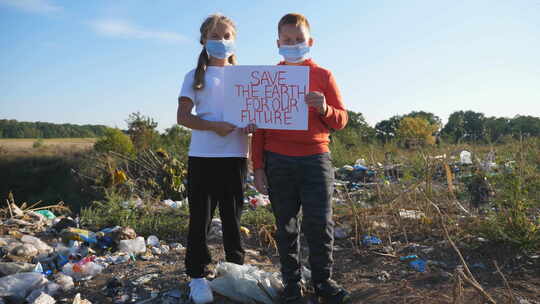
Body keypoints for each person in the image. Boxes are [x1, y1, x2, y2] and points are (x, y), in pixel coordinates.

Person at [251, 13, 351, 304]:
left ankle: (323, 282)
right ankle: (292, 284)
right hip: (277, 161)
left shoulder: (324, 76)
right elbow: (259, 129)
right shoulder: (268, 79)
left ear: (310, 41)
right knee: (285, 226)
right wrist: (258, 167)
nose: (293, 44)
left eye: (298, 40)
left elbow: (342, 120)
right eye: (287, 40)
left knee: (320, 224)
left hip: (315, 159)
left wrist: (324, 109)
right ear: (278, 42)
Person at [177, 13, 255, 304]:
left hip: (235, 157)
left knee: (233, 220)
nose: (221, 42)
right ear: (203, 40)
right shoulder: (194, 76)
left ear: (234, 40)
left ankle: (235, 271)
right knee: (200, 220)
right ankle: (197, 276)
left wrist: (251, 127)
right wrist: (213, 126)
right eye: (215, 36)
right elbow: (183, 117)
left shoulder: (247, 78)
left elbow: (253, 119)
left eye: (226, 36)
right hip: (202, 157)